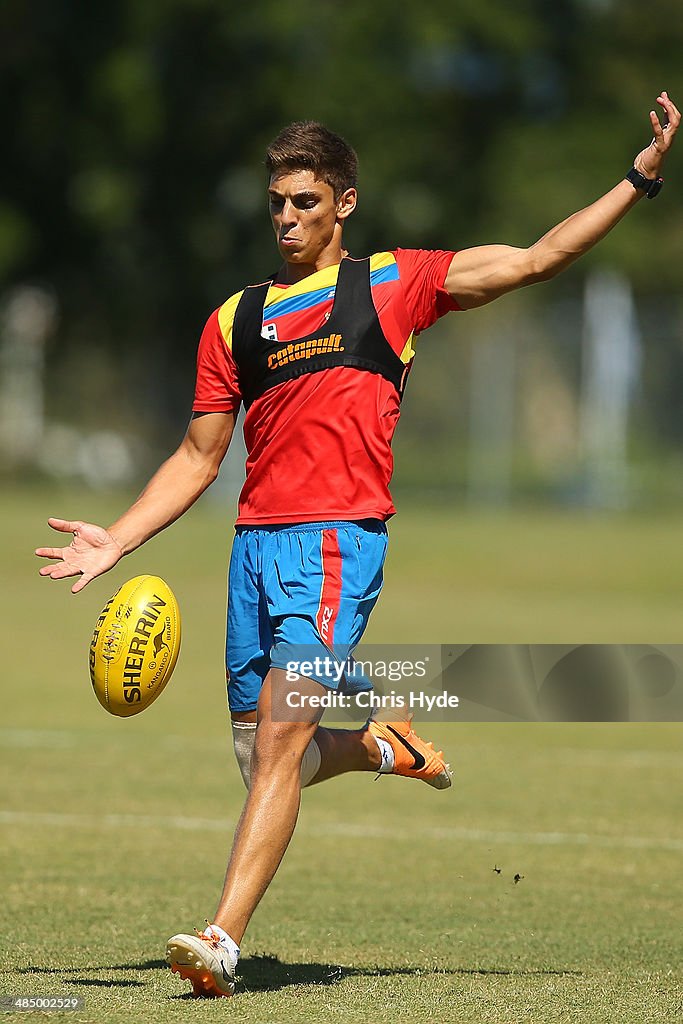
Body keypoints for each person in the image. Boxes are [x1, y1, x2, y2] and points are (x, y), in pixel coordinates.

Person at [36, 93, 679, 998]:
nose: (287, 218)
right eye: (276, 203)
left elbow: (535, 258)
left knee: (281, 739)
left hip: (335, 543)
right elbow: (196, 456)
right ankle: (384, 745)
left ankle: (221, 939)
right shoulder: (234, 319)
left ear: (342, 202)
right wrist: (120, 540)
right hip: (253, 551)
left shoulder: (392, 284)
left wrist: (637, 179)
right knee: (261, 756)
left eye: (305, 201)